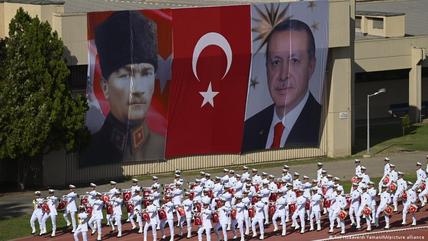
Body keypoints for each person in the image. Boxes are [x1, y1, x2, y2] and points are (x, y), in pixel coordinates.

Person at [81, 10, 164, 166]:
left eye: (146, 73)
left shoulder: (162, 147)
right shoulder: (91, 151)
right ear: (105, 87)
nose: (138, 89)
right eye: (125, 75)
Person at [242, 19, 321, 151]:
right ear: (267, 67)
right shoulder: (249, 128)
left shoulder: (322, 122)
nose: (283, 75)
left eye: (294, 61)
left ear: (311, 65)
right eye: (276, 62)